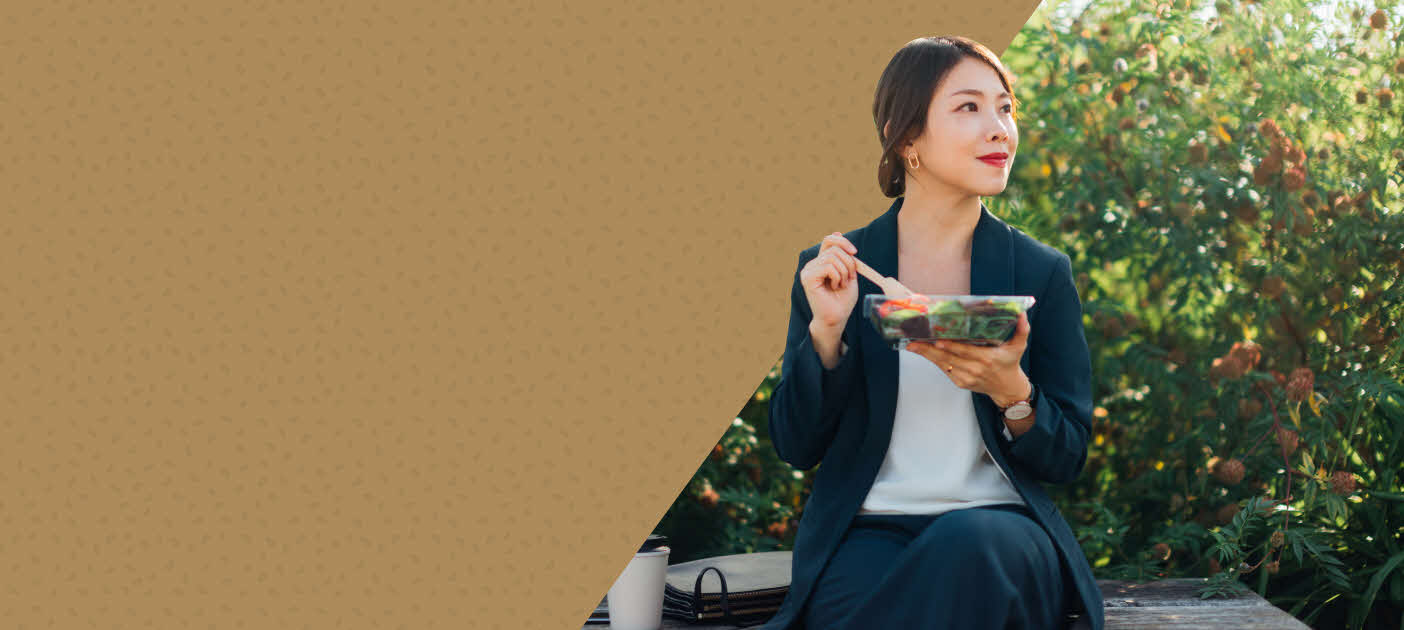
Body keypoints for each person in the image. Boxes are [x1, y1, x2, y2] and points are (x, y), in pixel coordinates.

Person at [761, 36, 1104, 630]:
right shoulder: (839, 269)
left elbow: (1068, 456)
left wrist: (1012, 393)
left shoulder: (1040, 273)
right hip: (867, 534)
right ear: (907, 137)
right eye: (969, 107)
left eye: (1005, 108)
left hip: (1001, 531)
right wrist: (827, 332)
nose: (999, 128)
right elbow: (796, 446)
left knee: (969, 546)